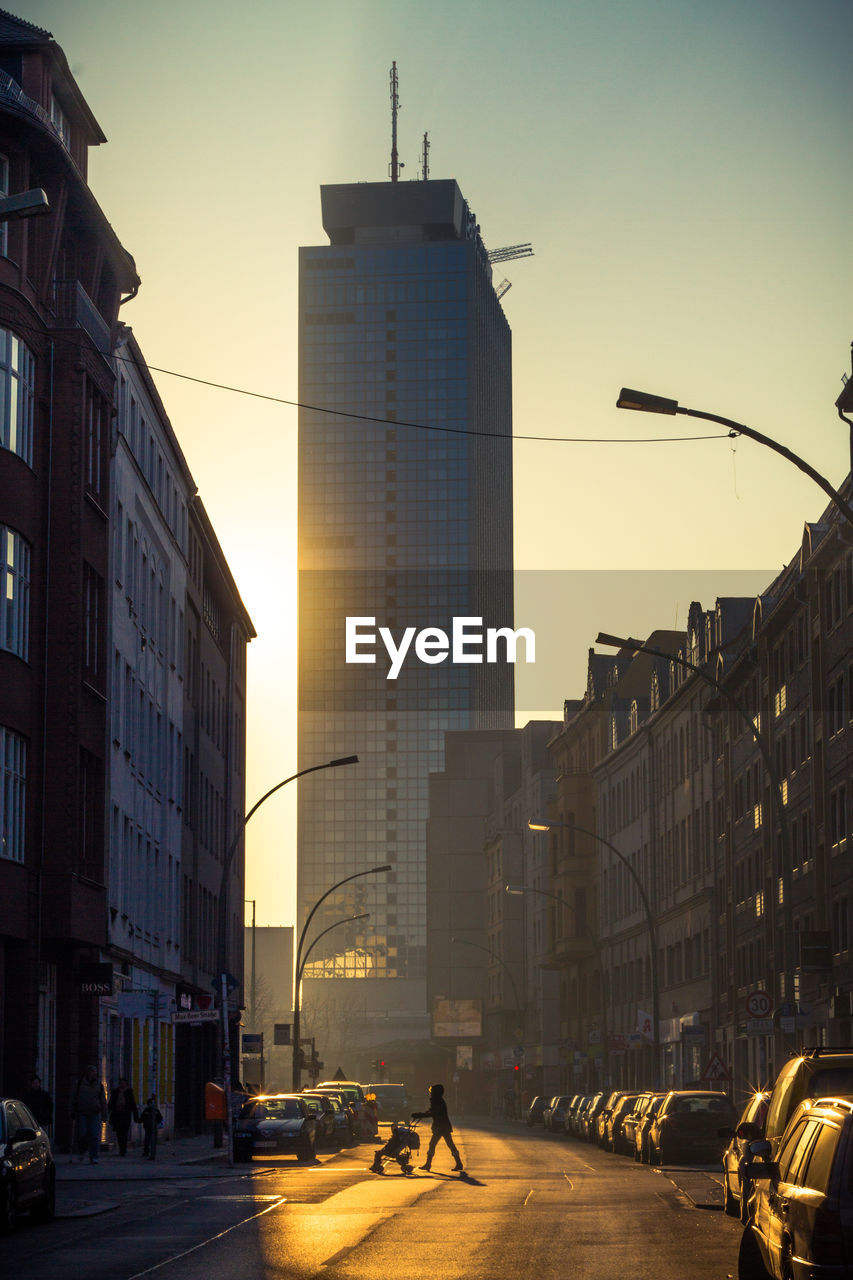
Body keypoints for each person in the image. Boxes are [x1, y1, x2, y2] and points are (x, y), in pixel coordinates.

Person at [412, 1083, 463, 1173]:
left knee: (434, 1144)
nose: (430, 1093)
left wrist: (419, 1115)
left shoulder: (437, 1101)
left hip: (441, 1127)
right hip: (443, 1126)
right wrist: (421, 1114)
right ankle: (458, 1163)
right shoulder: (438, 1100)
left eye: (432, 1092)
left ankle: (428, 1164)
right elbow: (432, 1111)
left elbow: (433, 1113)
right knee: (449, 1144)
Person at [72, 1065, 108, 1164]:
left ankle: (94, 1156)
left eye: (94, 1072)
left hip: (94, 1112)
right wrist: (73, 1110)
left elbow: (103, 1101)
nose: (93, 1074)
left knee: (94, 1135)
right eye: (91, 1072)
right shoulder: (80, 1084)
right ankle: (82, 1151)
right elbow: (74, 1098)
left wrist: (104, 1115)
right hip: (82, 1112)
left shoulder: (99, 1085)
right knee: (82, 1133)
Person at [108, 1077, 138, 1156]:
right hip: (117, 1114)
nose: (122, 1085)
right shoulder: (115, 1092)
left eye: (123, 1083)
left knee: (124, 1132)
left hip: (125, 1114)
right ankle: (121, 1147)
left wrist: (136, 1116)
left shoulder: (129, 1092)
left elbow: (132, 1104)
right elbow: (111, 1103)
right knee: (118, 1132)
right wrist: (107, 1112)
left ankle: (123, 1149)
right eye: (121, 1083)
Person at [139, 1094, 163, 1159]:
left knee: (153, 1140)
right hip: (147, 1127)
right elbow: (142, 1118)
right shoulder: (146, 1111)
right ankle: (146, 1151)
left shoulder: (156, 1111)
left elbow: (160, 1118)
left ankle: (152, 1152)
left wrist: (157, 1123)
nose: (151, 1105)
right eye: (150, 1103)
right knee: (147, 1140)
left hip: (153, 1127)